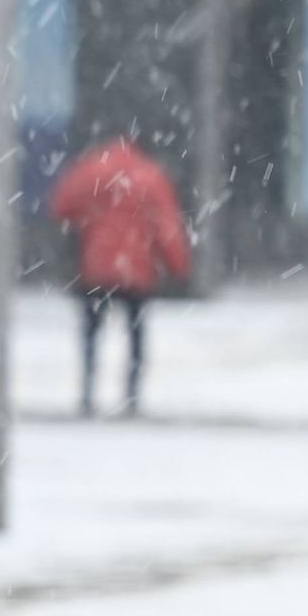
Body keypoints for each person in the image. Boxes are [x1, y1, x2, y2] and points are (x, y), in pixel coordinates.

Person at [47, 135, 193, 419]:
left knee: (91, 331)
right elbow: (166, 226)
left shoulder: (89, 173)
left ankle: (88, 390)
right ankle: (131, 395)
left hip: (95, 267)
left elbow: (60, 206)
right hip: (136, 272)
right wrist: (178, 266)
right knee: (135, 333)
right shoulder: (148, 177)